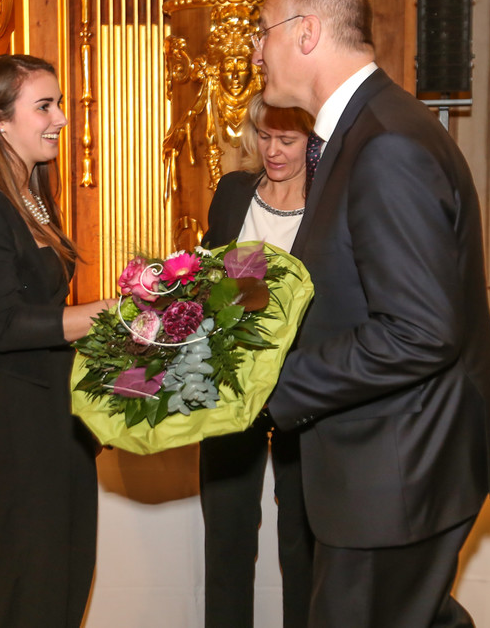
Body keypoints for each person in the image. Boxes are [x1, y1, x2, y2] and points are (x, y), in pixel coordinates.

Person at [252, 0, 490, 627]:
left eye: (263, 33)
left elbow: (419, 331)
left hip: (402, 462)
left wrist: (264, 383)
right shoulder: (363, 130)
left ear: (306, 32)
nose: (256, 51)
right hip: (387, 452)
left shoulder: (386, 143)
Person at [0, 54, 114, 627]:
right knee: (32, 596)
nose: (61, 118)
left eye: (59, 104)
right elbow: (5, 324)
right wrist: (109, 314)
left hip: (56, 412)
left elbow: (45, 310)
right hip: (13, 419)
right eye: (45, 106)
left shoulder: (31, 194)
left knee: (66, 586)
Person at [200, 93, 316, 628]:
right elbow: (210, 279)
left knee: (302, 545)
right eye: (264, 137)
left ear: (313, 142)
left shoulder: (330, 200)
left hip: (303, 389)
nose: (273, 151)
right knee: (226, 540)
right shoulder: (232, 192)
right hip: (231, 388)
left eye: (287, 140)